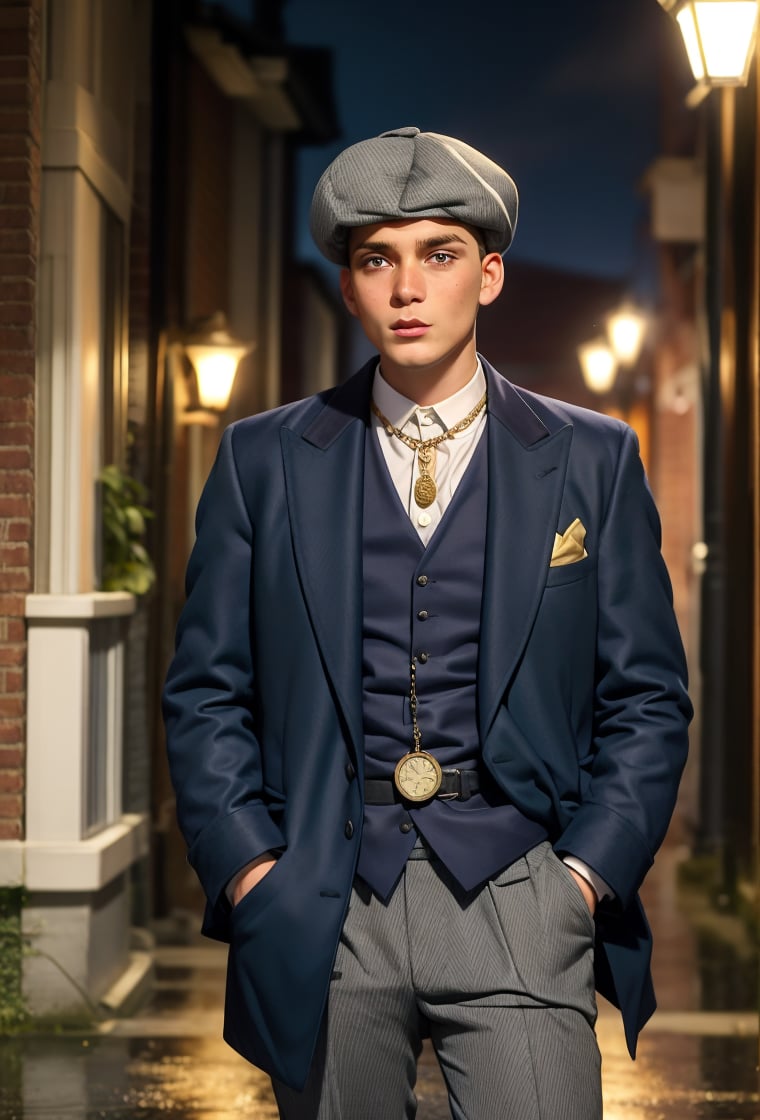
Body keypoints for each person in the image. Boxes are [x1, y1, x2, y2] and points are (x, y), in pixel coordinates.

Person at [162, 125, 692, 1119]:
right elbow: (205, 689)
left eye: (437, 255)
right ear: (351, 285)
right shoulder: (261, 460)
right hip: (324, 893)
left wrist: (582, 876)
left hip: (520, 894)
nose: (407, 288)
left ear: (488, 275)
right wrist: (249, 870)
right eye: (377, 260)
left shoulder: (592, 458)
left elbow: (648, 696)